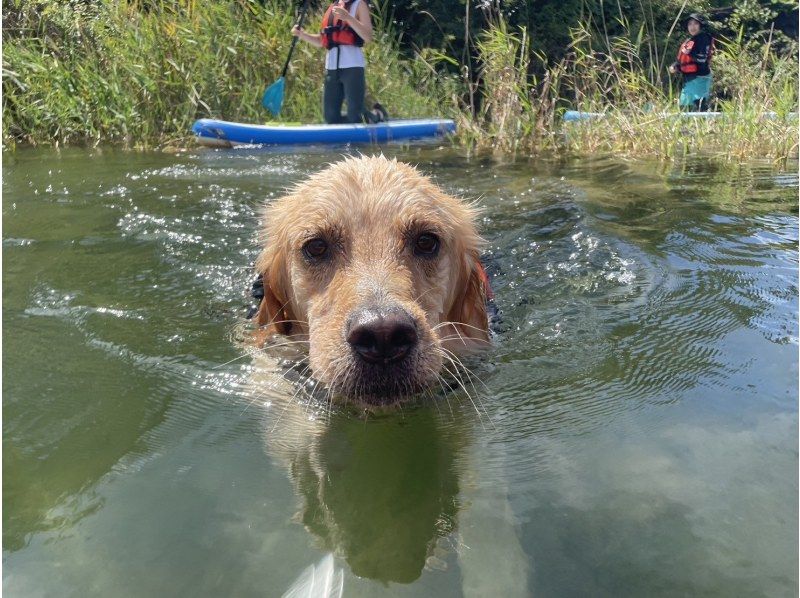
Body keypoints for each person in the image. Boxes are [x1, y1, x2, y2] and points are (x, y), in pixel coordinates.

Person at [291, 0, 388, 124]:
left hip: (352, 67)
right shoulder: (333, 7)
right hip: (331, 69)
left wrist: (348, 17)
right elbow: (322, 41)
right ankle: (352, 127)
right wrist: (302, 35)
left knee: (355, 116)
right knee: (330, 119)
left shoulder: (359, 4)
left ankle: (378, 114)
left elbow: (368, 36)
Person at [669, 12, 715, 111]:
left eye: (695, 23)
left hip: (700, 77)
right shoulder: (690, 41)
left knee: (699, 105)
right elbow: (680, 60)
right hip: (690, 79)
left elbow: (701, 59)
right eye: (690, 24)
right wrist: (675, 66)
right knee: (684, 106)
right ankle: (688, 126)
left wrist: (690, 54)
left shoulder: (703, 38)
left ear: (700, 25)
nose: (692, 27)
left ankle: (709, 123)